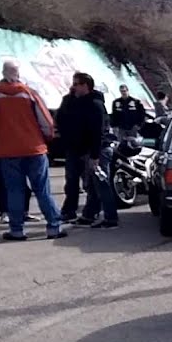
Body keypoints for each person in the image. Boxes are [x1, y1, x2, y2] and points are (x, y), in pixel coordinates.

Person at [0, 60, 62, 240]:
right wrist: (46, 138)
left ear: (3, 73)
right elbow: (47, 121)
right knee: (42, 190)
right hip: (35, 148)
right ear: (18, 73)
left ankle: (17, 229)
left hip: (8, 151)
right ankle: (53, 227)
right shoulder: (29, 93)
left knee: (14, 191)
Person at [57, 72, 117, 229]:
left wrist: (95, 155)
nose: (74, 87)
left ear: (86, 86)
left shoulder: (95, 104)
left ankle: (110, 218)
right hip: (79, 149)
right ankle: (87, 215)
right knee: (89, 185)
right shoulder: (72, 101)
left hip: (97, 150)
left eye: (77, 84)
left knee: (101, 184)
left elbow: (98, 132)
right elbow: (61, 119)